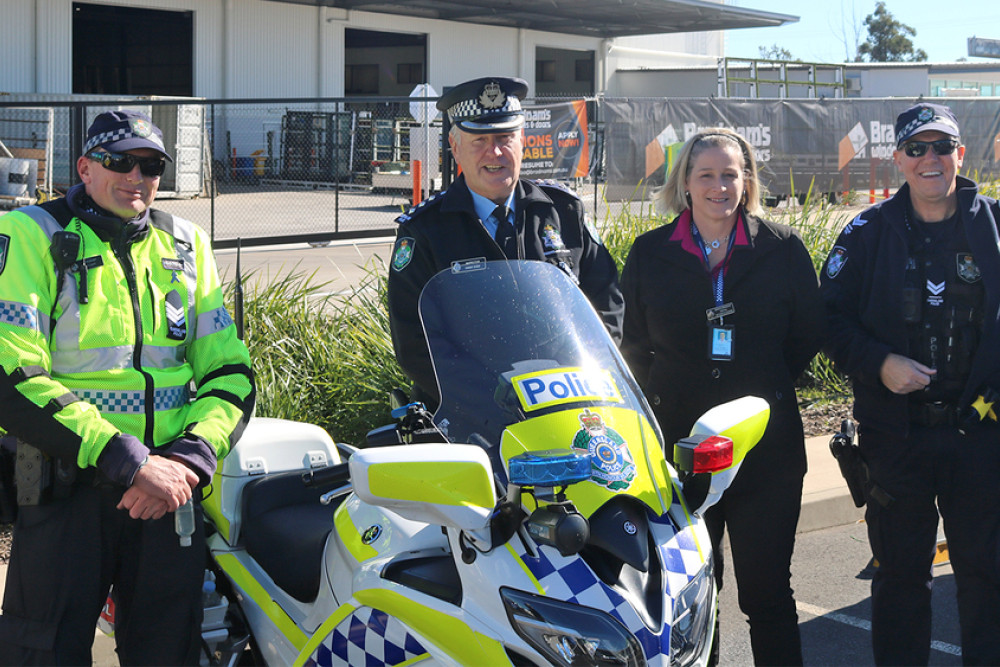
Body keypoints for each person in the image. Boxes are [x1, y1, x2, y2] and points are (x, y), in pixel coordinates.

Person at [0, 110, 255, 665]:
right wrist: (127, 460)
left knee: (169, 651)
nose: (135, 176)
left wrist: (189, 460)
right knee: (41, 652)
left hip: (167, 494)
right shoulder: (29, 234)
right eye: (119, 161)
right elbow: (13, 375)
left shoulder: (187, 243)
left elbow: (230, 374)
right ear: (85, 167)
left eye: (150, 164)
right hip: (69, 491)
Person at [620, 128, 824, 665]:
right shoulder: (649, 254)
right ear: (684, 182)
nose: (719, 186)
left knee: (768, 597)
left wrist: (761, 388)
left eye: (730, 174)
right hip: (680, 456)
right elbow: (633, 347)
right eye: (705, 174)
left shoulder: (782, 249)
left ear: (747, 181)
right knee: (690, 604)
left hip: (765, 452)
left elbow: (807, 334)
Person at [821, 102, 1000, 665]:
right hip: (896, 437)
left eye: (941, 147)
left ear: (959, 155)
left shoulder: (994, 225)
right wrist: (878, 363)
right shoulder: (867, 232)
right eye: (916, 148)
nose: (930, 159)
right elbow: (827, 319)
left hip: (981, 431)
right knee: (899, 581)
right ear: (897, 158)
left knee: (987, 575)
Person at [387, 76, 623, 407]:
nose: (494, 152)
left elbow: (606, 304)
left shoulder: (563, 211)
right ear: (455, 148)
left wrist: (585, 374)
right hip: (469, 417)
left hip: (568, 400)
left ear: (522, 141)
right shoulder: (425, 231)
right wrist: (492, 398)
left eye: (504, 137)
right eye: (479, 140)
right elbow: (414, 341)